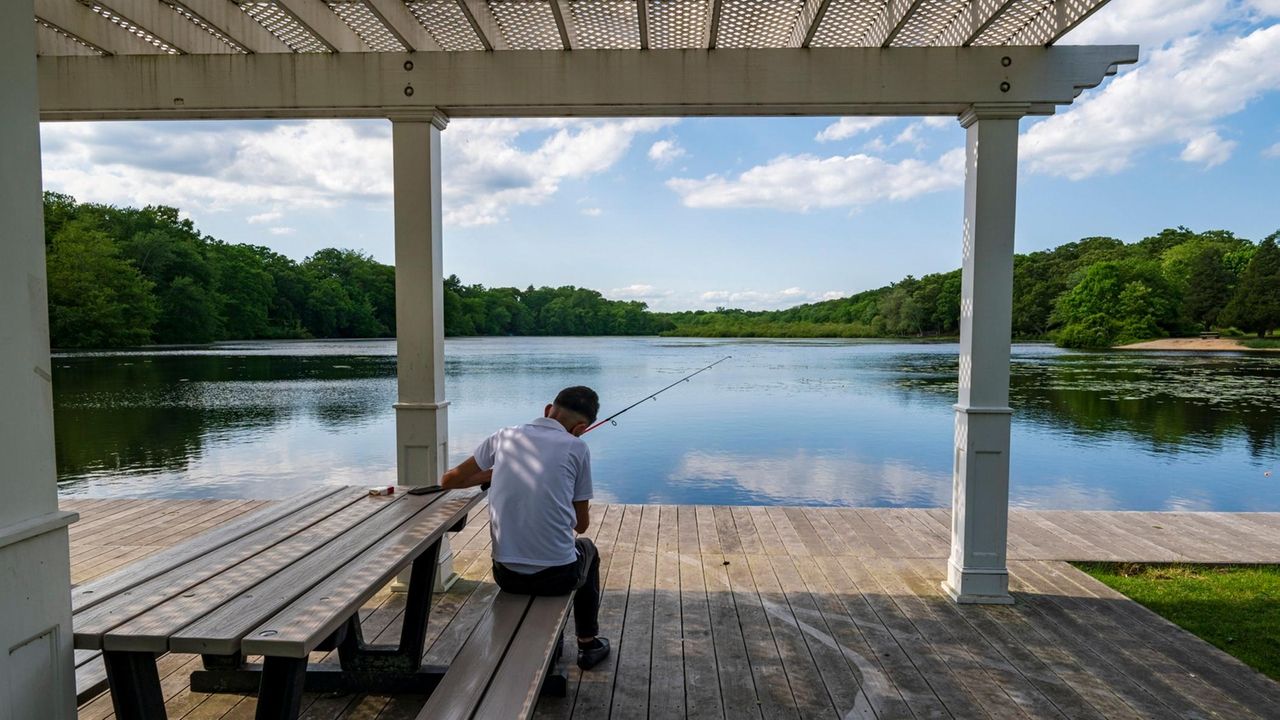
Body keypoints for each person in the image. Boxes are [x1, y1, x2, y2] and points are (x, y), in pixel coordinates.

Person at [440, 386, 610, 670]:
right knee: (588, 549)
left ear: (547, 410)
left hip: (506, 575)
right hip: (557, 576)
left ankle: (562, 641)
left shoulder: (504, 436)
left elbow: (450, 481)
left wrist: (503, 469)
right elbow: (581, 525)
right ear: (580, 428)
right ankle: (587, 642)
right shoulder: (577, 447)